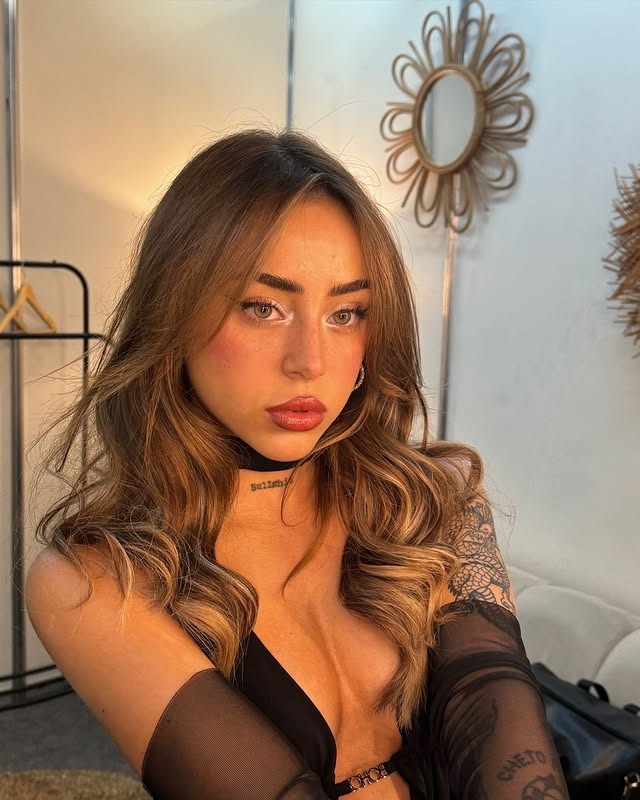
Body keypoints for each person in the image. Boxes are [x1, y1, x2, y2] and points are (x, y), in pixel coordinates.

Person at [26, 129, 568, 800]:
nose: (310, 360)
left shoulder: (435, 500)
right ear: (175, 312)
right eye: (263, 307)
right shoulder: (98, 581)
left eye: (346, 313)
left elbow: (500, 731)